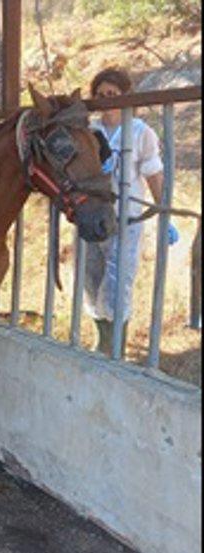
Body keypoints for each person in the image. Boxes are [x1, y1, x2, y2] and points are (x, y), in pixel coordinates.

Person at [84, 67, 178, 355]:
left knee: (116, 285)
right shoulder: (90, 132)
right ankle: (101, 339)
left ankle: (115, 348)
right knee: (91, 282)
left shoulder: (140, 132)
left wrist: (165, 215)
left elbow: (154, 175)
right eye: (100, 95)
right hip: (92, 219)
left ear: (126, 98)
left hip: (126, 219)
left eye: (112, 94)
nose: (106, 100)